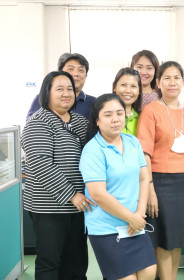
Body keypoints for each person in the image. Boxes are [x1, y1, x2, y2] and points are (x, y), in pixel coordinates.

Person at [21, 71, 95, 279]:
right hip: (49, 207)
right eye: (59, 89)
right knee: (50, 261)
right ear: (47, 92)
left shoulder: (80, 122)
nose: (66, 93)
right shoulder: (38, 122)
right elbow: (41, 164)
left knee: (77, 261)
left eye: (69, 89)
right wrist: (72, 195)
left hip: (80, 206)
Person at [79, 94, 157, 280]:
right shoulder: (92, 150)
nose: (115, 119)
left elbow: (143, 178)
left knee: (149, 272)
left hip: (134, 223)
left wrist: (138, 214)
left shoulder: (132, 142)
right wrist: (131, 218)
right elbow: (98, 194)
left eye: (119, 113)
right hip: (106, 227)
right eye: (108, 115)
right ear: (97, 121)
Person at [137, 61, 184, 280]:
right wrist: (149, 188)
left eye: (177, 77)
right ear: (158, 82)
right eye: (167, 78)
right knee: (163, 240)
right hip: (160, 181)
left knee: (178, 239)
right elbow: (145, 154)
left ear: (183, 82)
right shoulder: (151, 111)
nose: (172, 82)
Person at [26, 53, 96, 121]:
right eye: (70, 69)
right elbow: (31, 126)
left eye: (81, 70)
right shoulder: (42, 98)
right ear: (60, 73)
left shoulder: (94, 102)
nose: (76, 74)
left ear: (86, 76)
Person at [112, 67, 143, 136]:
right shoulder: (106, 115)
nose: (128, 91)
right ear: (114, 87)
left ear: (139, 91)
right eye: (123, 85)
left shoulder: (142, 117)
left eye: (133, 86)